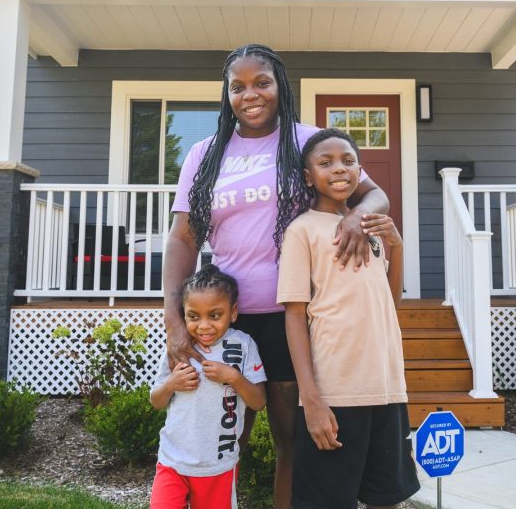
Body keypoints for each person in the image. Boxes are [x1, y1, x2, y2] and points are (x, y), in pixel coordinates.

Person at [163, 43, 390, 508]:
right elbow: (183, 238)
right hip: (225, 321)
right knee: (223, 438)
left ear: (280, 86)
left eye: (262, 83)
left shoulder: (308, 141)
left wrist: (355, 216)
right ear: (227, 94)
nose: (251, 95)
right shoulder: (205, 154)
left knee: (291, 441)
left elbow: (375, 194)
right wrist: (173, 319)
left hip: (296, 317)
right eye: (238, 87)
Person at [278, 128, 420, 509]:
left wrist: (396, 247)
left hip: (387, 389)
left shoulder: (370, 228)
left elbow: (388, 302)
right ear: (309, 177)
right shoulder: (302, 231)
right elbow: (294, 317)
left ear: (360, 171)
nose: (339, 169)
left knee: (386, 498)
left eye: (348, 161)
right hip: (336, 393)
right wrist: (311, 400)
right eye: (325, 163)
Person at [150, 264, 267, 509]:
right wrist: (171, 384)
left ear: (233, 312)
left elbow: (258, 402)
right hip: (173, 461)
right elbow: (156, 401)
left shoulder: (244, 345)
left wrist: (234, 377)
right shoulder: (179, 348)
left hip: (218, 466)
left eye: (215, 315)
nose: (204, 326)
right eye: (194, 317)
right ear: (184, 314)